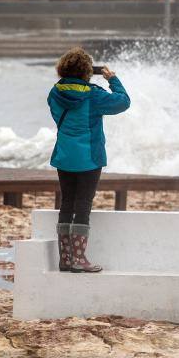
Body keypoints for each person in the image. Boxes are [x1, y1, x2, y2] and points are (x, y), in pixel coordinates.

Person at [49, 47, 131, 273]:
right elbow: (123, 102)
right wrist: (112, 79)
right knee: (82, 206)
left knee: (67, 203)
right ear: (87, 71)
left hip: (64, 156)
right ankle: (80, 259)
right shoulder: (94, 95)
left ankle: (65, 259)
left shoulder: (54, 93)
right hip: (89, 159)